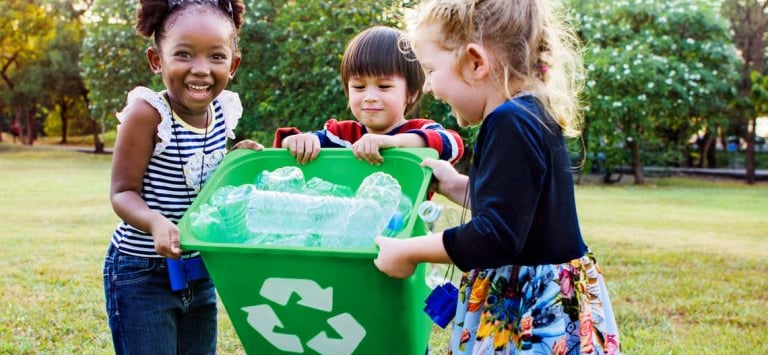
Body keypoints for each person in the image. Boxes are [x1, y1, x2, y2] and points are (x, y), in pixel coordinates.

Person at [373, 0, 621, 354]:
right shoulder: (530, 112)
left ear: (475, 63)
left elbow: (496, 235)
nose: (428, 87)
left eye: (430, 70)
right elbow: (518, 208)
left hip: (531, 311)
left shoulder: (508, 122)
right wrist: (454, 184)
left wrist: (410, 251)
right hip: (550, 298)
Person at [104, 0, 262, 353]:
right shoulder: (147, 114)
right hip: (142, 273)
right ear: (156, 60)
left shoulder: (223, 111)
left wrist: (235, 164)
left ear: (233, 64)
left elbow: (202, 180)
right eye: (184, 55)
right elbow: (122, 192)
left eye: (216, 57)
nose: (201, 70)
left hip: (199, 268)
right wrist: (155, 222)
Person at [273, 26, 464, 166]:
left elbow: (453, 145)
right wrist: (298, 141)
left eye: (383, 86)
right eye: (358, 87)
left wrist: (394, 142)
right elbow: (288, 147)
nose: (369, 97)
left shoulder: (419, 130)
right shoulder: (341, 136)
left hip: (407, 221)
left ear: (412, 93)